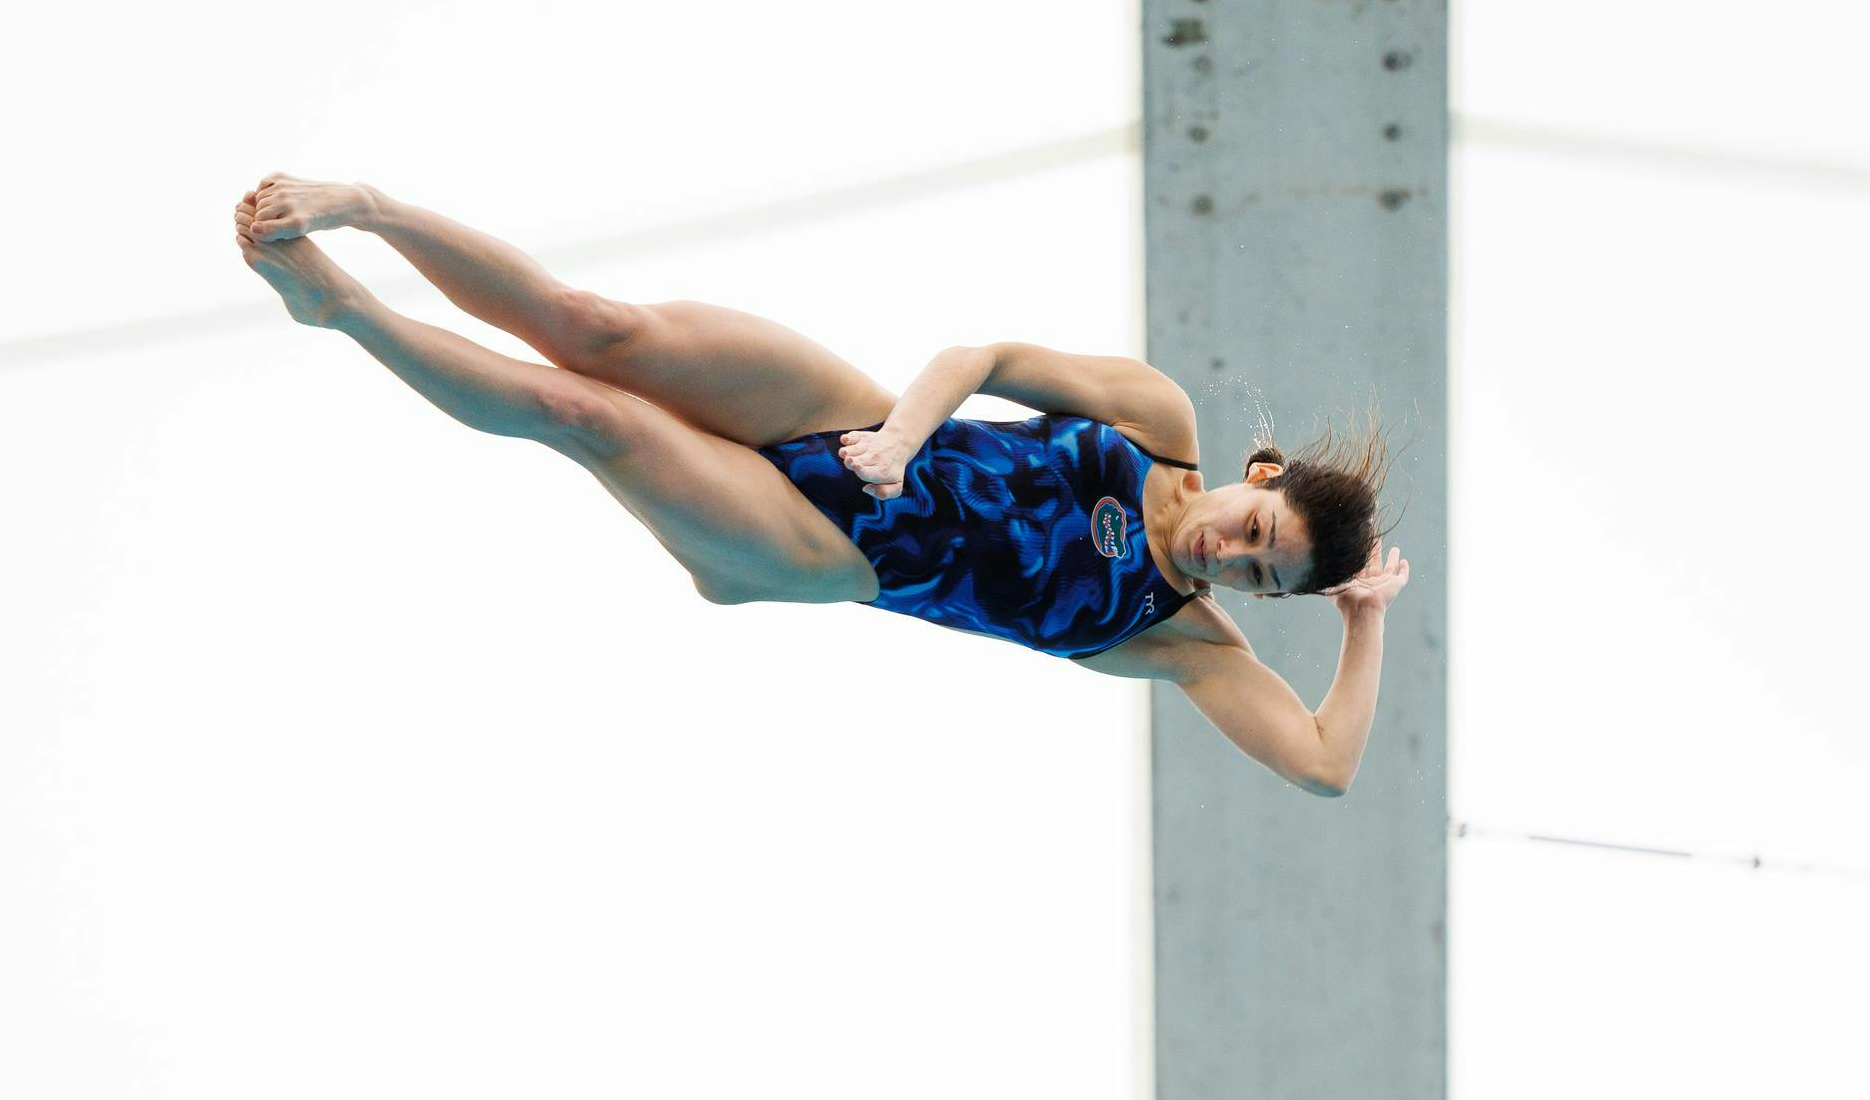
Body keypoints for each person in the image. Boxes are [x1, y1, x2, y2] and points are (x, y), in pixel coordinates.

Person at [235, 173, 1409, 795]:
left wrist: (1358, 621)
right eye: (1254, 528)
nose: (1231, 557)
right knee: (596, 327)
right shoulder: (1154, 421)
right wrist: (899, 437)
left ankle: (340, 306)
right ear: (1257, 476)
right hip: (845, 418)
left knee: (580, 414)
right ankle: (372, 207)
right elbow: (983, 360)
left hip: (821, 549)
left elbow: (1320, 770)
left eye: (1259, 577)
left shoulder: (1178, 640)